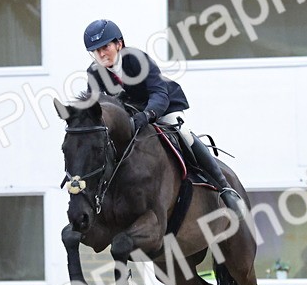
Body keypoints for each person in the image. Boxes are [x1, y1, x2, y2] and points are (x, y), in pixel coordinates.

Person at [77, 19, 246, 219]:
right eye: (96, 51)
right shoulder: (94, 72)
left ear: (119, 44)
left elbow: (159, 94)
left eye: (105, 47)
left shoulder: (138, 60)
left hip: (161, 105)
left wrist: (147, 115)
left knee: (183, 132)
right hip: (131, 112)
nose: (102, 54)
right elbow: (96, 108)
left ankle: (225, 188)